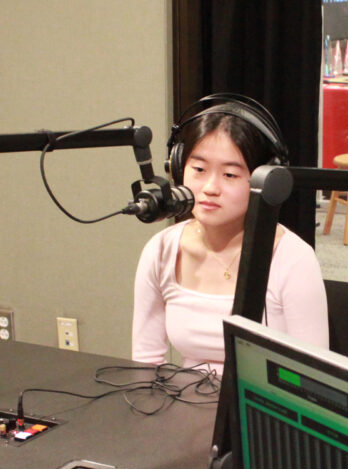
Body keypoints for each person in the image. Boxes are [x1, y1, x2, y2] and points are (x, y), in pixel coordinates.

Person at [132, 95, 328, 374]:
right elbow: (145, 362)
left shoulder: (294, 259)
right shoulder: (161, 250)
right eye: (199, 169)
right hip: (182, 399)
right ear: (177, 168)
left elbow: (313, 376)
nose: (210, 188)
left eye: (230, 175)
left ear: (265, 179)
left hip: (267, 401)